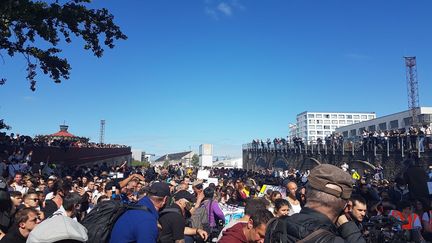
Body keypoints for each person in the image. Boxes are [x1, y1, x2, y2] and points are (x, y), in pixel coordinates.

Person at [265, 164, 366, 242]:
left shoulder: (274, 226)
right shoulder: (332, 239)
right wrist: (347, 226)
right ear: (347, 206)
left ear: (305, 194)